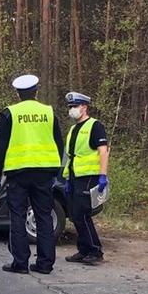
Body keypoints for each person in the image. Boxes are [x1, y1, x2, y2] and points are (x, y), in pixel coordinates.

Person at [0, 74, 64, 275]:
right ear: (36, 91)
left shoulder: (10, 113)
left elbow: (0, 147)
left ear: (17, 94)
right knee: (44, 217)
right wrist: (57, 170)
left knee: (18, 216)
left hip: (19, 173)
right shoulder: (48, 112)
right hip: (44, 173)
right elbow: (59, 142)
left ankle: (20, 263)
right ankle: (45, 264)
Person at [62, 92, 109, 265]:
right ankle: (83, 250)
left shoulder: (95, 126)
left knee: (82, 214)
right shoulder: (74, 129)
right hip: (75, 176)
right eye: (70, 107)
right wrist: (67, 178)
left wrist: (103, 175)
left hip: (89, 176)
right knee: (75, 215)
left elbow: (103, 151)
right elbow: (71, 155)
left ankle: (95, 251)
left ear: (84, 107)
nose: (72, 110)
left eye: (75, 106)